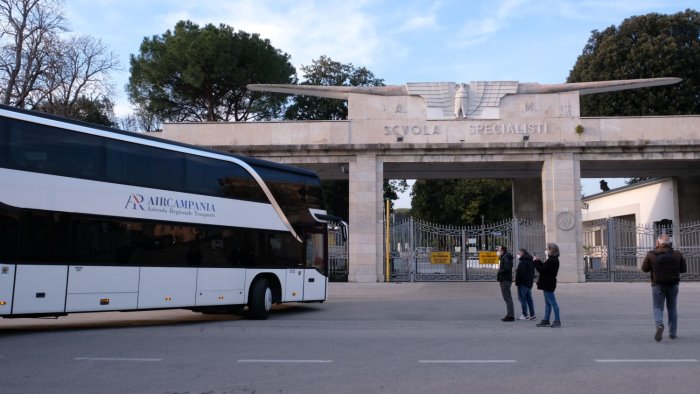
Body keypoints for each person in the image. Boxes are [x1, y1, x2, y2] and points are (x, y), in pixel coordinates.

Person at [641, 234, 687, 341]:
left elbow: (644, 269)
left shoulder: (651, 254)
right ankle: (673, 333)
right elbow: (683, 269)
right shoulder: (677, 253)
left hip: (657, 284)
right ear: (669, 243)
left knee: (657, 306)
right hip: (673, 284)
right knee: (672, 307)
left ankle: (659, 325)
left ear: (658, 242)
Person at [533, 243, 561, 327]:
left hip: (548, 283)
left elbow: (542, 270)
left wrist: (535, 262)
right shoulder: (552, 259)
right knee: (548, 303)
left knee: (553, 303)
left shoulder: (553, 260)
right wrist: (538, 261)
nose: (546, 251)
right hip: (547, 283)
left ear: (551, 250)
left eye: (547, 249)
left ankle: (557, 320)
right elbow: (545, 268)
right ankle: (546, 319)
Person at [515, 248, 536, 321]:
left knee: (522, 299)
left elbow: (521, 273)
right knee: (529, 299)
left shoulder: (523, 262)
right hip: (529, 283)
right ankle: (532, 315)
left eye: (519, 253)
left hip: (522, 283)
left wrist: (518, 282)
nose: (518, 254)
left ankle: (525, 314)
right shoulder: (530, 261)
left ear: (522, 253)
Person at [496, 245, 514, 322]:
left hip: (505, 280)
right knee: (506, 298)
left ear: (502, 250)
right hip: (504, 279)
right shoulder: (504, 257)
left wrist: (499, 272)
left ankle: (510, 316)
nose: (497, 251)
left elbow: (507, 268)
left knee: (508, 298)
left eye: (499, 250)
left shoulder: (506, 257)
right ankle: (509, 314)